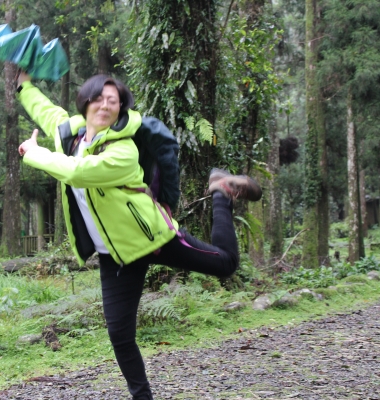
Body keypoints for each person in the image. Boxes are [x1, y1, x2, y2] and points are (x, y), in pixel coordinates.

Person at [16, 71, 261, 400]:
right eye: (99, 98)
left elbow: (76, 172)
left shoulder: (123, 150)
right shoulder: (69, 135)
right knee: (119, 334)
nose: (105, 105)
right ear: (85, 102)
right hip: (116, 256)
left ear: (120, 109)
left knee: (227, 264)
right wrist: (24, 84)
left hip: (155, 240)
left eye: (113, 101)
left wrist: (33, 152)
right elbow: (45, 110)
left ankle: (220, 192)